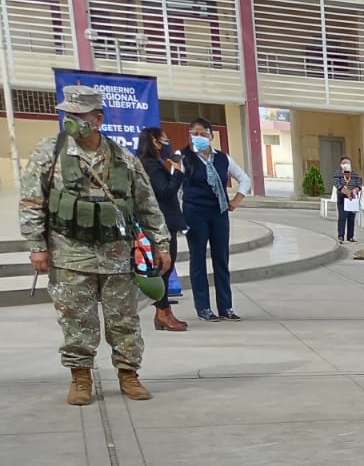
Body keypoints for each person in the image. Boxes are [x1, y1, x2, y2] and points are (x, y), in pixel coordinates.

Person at [19, 84, 172, 405]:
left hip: (116, 256)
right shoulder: (50, 152)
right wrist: (36, 245)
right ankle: (80, 378)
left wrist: (161, 243)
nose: (71, 121)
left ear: (98, 118)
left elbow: (146, 204)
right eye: (67, 114)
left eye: (79, 115)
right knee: (76, 320)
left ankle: (129, 374)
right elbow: (32, 200)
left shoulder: (123, 158)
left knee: (124, 320)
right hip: (69, 255)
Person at [180, 117, 251, 322]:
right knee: (198, 259)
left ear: (211, 136)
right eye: (194, 133)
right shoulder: (183, 156)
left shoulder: (222, 158)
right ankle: (203, 307)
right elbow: (177, 186)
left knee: (221, 259)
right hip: (194, 212)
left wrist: (236, 201)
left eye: (203, 134)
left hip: (218, 212)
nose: (198, 137)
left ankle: (226, 307)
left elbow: (244, 179)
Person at [136, 126, 187, 333]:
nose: (168, 144)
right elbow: (165, 192)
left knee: (165, 267)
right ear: (155, 142)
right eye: (164, 140)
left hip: (163, 223)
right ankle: (162, 313)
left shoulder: (151, 163)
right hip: (161, 224)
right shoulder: (151, 166)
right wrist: (178, 170)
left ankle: (164, 312)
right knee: (164, 267)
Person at [332, 156, 364, 243]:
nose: (346, 164)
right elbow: (338, 185)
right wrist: (347, 192)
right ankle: (341, 236)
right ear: (341, 165)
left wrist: (354, 191)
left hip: (352, 198)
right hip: (342, 198)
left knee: (351, 218)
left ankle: (350, 236)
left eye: (348, 162)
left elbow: (359, 185)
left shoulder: (355, 175)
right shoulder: (337, 174)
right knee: (342, 217)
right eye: (344, 163)